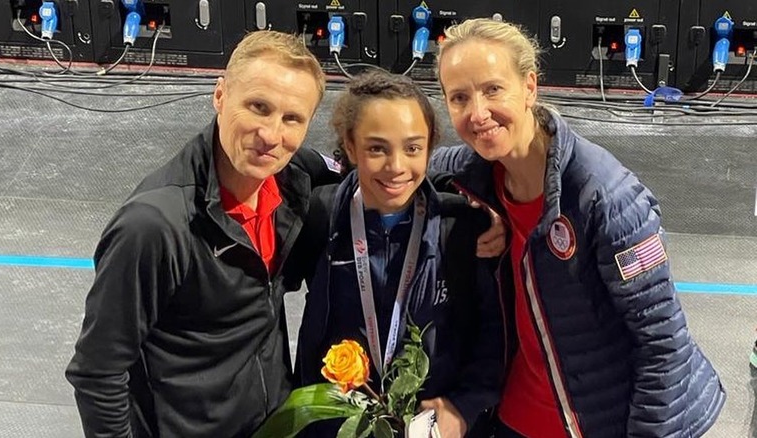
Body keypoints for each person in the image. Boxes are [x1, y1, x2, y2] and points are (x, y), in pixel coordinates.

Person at [429, 18, 725, 438]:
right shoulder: (469, 175)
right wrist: (460, 210)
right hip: (508, 419)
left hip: (591, 425)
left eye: (493, 89)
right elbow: (395, 172)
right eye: (459, 97)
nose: (477, 113)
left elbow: (663, 346)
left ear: (529, 87)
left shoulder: (607, 196)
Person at [65, 30, 341, 438]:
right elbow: (97, 372)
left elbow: (382, 172)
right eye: (258, 107)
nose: (271, 135)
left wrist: (466, 204)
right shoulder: (154, 226)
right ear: (220, 95)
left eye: (291, 119)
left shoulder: (296, 176)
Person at [293, 71, 506, 437]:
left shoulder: (462, 228)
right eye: (377, 148)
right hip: (336, 427)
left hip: (431, 426)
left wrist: (464, 407)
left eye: (412, 148)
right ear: (350, 143)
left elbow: (495, 337)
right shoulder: (320, 218)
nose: (396, 167)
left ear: (429, 148)